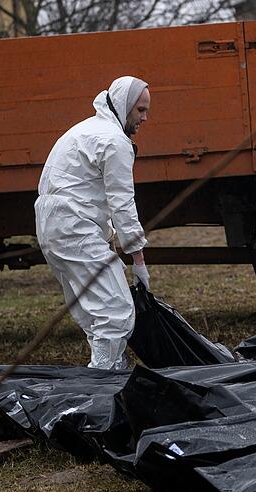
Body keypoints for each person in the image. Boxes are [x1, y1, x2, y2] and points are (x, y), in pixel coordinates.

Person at [34, 76, 151, 369]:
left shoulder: (86, 129)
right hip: (74, 228)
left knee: (95, 313)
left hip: (53, 227)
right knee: (115, 311)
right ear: (124, 106)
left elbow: (81, 190)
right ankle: (102, 382)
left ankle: (110, 366)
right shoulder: (115, 141)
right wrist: (138, 260)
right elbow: (122, 202)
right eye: (140, 110)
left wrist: (108, 233)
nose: (145, 118)